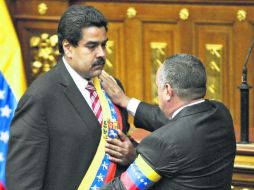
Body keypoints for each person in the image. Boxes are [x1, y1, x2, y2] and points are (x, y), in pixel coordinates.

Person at [6, 5, 136, 190]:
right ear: (68, 47)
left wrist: (131, 154)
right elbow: (23, 178)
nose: (101, 54)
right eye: (92, 46)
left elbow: (116, 141)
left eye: (103, 45)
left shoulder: (112, 87)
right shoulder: (40, 97)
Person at [100, 54, 236, 189]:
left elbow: (122, 187)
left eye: (158, 87)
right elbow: (179, 125)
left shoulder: (164, 142)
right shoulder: (221, 112)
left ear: (167, 90)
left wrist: (136, 158)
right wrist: (126, 101)